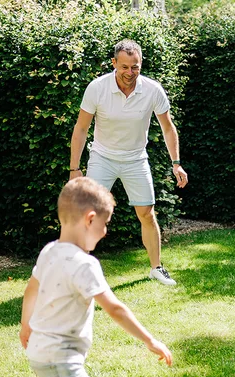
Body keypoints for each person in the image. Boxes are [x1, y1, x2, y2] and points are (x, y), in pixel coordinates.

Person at [0, 177, 173, 377]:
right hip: (60, 359)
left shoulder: (49, 251)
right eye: (105, 224)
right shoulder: (85, 265)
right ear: (90, 219)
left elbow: (31, 290)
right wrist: (150, 340)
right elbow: (114, 308)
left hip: (41, 353)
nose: (105, 232)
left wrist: (25, 325)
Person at [69, 39, 188, 286]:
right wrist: (74, 169)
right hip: (102, 157)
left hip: (136, 159)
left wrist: (176, 163)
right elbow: (81, 128)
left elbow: (168, 128)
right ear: (114, 63)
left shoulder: (153, 90)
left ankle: (156, 268)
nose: (130, 72)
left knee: (147, 213)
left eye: (135, 67)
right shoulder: (97, 88)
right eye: (124, 67)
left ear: (140, 64)